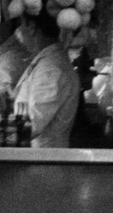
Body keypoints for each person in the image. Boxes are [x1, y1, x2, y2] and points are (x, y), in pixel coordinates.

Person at [11, 9, 81, 149]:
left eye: (21, 25)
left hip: (44, 162)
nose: (20, 31)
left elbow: (31, 123)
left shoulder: (50, 68)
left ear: (31, 27)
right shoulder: (49, 62)